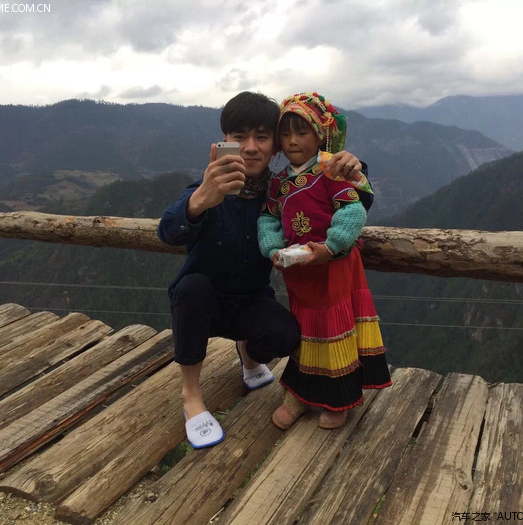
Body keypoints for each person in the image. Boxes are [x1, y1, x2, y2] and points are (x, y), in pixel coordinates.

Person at [157, 91, 366, 448]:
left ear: (275, 146)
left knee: (285, 335)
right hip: (201, 304)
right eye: (239, 137)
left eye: (262, 137)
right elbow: (167, 232)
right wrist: (200, 200)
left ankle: (249, 356)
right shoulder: (209, 188)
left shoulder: (281, 191)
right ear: (223, 141)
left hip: (250, 300)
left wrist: (353, 168)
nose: (250, 147)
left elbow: (330, 193)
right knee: (191, 288)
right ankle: (191, 395)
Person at [257, 91, 392, 430]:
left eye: (302, 132)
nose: (292, 141)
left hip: (335, 266)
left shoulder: (331, 170)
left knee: (334, 327)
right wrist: (272, 249)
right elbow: (268, 219)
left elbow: (352, 210)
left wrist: (331, 246)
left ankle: (338, 399)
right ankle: (300, 395)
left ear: (320, 135)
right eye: (285, 134)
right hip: (301, 271)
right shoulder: (278, 182)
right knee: (304, 331)